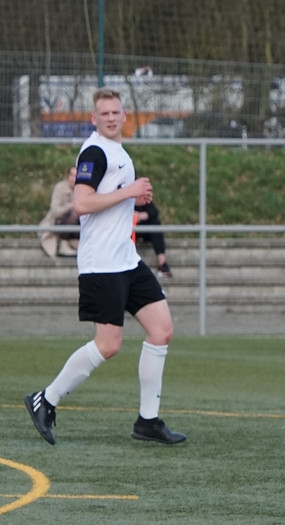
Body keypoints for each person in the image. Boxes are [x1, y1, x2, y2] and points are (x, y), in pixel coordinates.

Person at [25, 87, 186, 446]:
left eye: (116, 112)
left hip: (127, 259)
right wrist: (130, 192)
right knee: (108, 344)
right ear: (93, 119)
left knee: (161, 330)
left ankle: (148, 422)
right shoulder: (94, 151)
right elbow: (82, 203)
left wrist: (135, 198)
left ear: (124, 115)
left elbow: (112, 199)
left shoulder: (118, 150)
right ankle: (46, 399)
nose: (111, 118)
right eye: (105, 114)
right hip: (102, 264)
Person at [38, 165, 80, 259]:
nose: (74, 179)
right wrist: (71, 205)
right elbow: (55, 210)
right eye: (72, 175)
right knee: (74, 212)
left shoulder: (83, 189)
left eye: (76, 176)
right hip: (59, 221)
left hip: (79, 223)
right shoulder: (60, 188)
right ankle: (64, 243)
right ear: (67, 176)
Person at [134, 197, 173, 277]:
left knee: (155, 224)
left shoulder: (145, 200)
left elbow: (154, 212)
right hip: (130, 230)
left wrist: (141, 216)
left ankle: (162, 264)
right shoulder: (126, 202)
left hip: (145, 229)